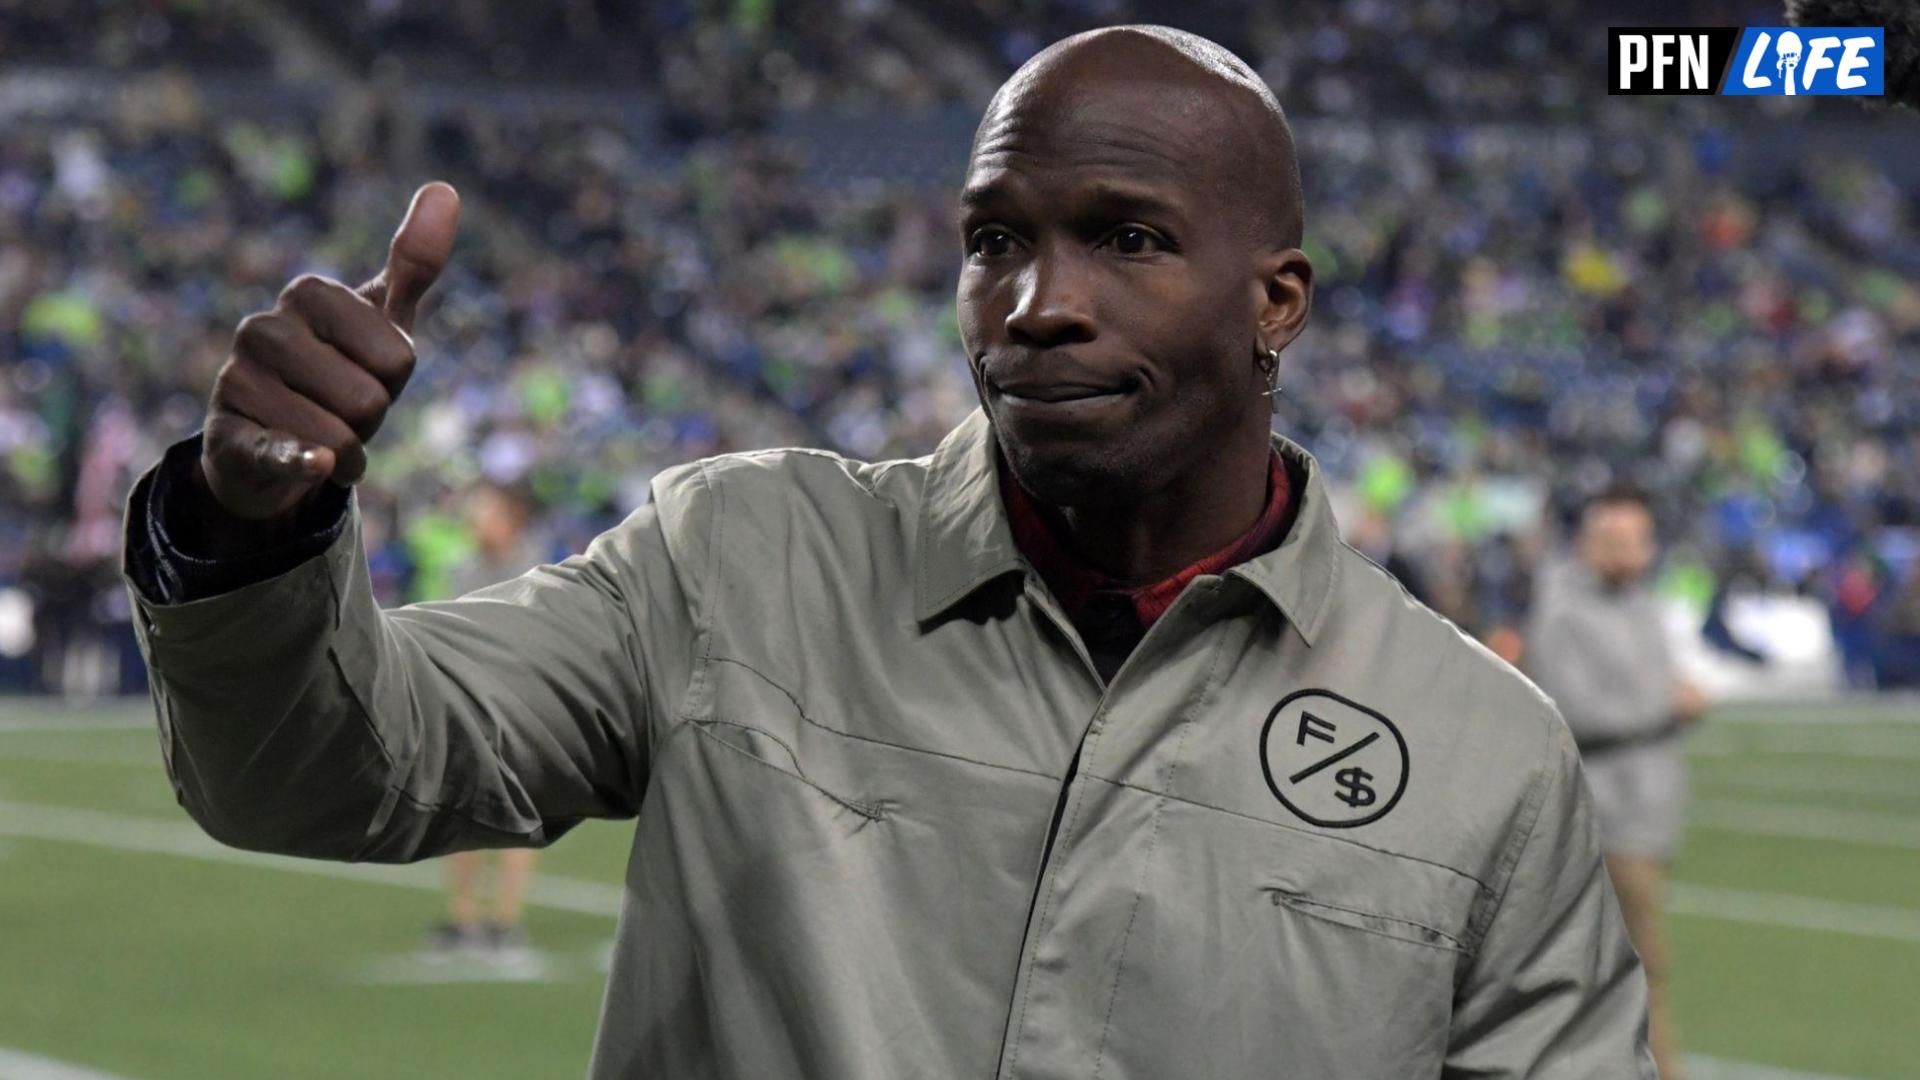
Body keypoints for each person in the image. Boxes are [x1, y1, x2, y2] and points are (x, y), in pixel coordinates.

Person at [120, 25, 1653, 1078]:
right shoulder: (737, 559)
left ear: (1278, 302)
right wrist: (259, 530)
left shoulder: (1484, 757)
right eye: (995, 240)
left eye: (1127, 238)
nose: (1037, 301)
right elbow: (323, 772)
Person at [1526, 485, 1708, 1080]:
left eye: (1639, 538)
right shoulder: (1563, 610)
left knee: (1620, 973)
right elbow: (1572, 708)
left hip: (1649, 817)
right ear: (1589, 541)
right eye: (1617, 538)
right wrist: (1669, 705)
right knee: (1640, 972)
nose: (1632, 551)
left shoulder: (1641, 605)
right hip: (1609, 817)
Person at [425, 481, 550, 955]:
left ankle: (504, 921)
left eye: (487, 513)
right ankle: (464, 919)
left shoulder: (537, 568)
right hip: (471, 703)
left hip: (523, 708)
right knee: (460, 813)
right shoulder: (464, 568)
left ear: (512, 519)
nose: (477, 522)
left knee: (519, 815)